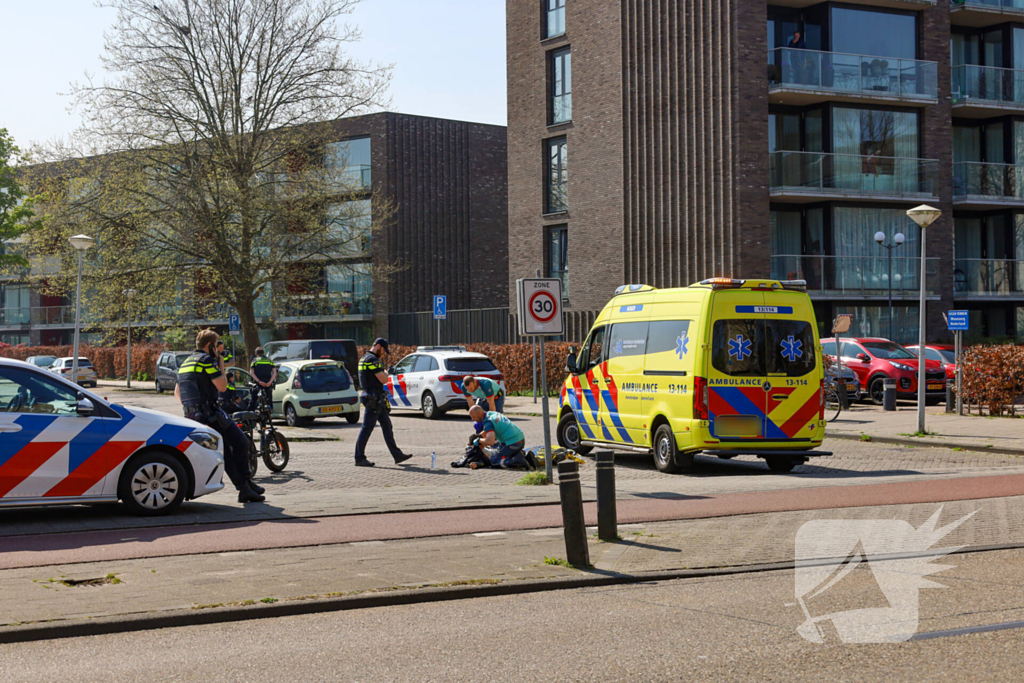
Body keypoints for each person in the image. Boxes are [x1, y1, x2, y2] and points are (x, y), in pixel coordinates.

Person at [175, 329, 265, 503]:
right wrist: (221, 364)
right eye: (217, 346)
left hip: (192, 415)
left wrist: (192, 406)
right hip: (211, 414)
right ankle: (245, 484)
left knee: (225, 452)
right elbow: (222, 386)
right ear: (210, 346)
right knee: (241, 442)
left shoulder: (185, 362)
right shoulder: (207, 360)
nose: (219, 350)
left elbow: (177, 391)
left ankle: (245, 486)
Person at [354, 338, 412, 467]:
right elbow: (383, 380)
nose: (384, 353)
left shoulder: (364, 358)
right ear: (378, 346)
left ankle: (397, 455)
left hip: (373, 397)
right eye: (383, 350)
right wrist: (386, 372)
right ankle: (359, 457)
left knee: (386, 426)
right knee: (367, 429)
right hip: (373, 398)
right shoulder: (372, 360)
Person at [249, 347, 277, 412]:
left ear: (256, 354)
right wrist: (270, 382)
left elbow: (252, 373)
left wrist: (259, 381)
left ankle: (249, 415)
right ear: (263, 353)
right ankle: (269, 413)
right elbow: (274, 373)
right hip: (268, 383)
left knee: (253, 399)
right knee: (269, 399)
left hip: (258, 383)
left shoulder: (254, 360)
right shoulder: (270, 360)